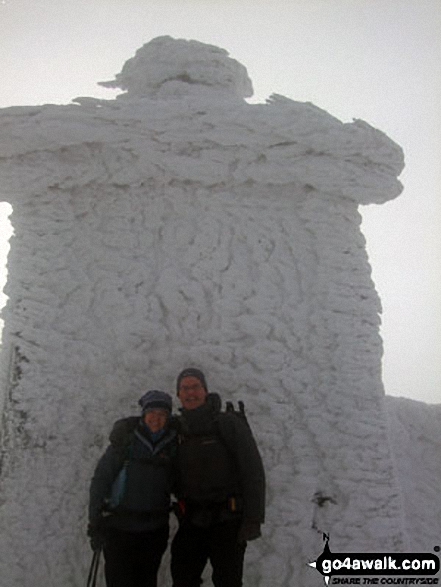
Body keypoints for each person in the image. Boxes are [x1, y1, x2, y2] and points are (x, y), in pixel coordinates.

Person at [171, 368, 265, 587]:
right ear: (178, 394)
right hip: (192, 520)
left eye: (195, 387)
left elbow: (252, 470)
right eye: (184, 388)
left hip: (228, 522)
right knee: (183, 578)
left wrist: (253, 518)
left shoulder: (227, 424)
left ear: (205, 390)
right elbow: (150, 427)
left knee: (228, 581)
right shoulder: (177, 429)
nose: (190, 393)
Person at [88, 390, 177, 587]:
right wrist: (95, 521)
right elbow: (101, 480)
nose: (156, 419)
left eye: (162, 414)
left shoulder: (173, 445)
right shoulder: (125, 442)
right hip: (120, 531)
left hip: (154, 532)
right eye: (152, 412)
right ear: (143, 415)